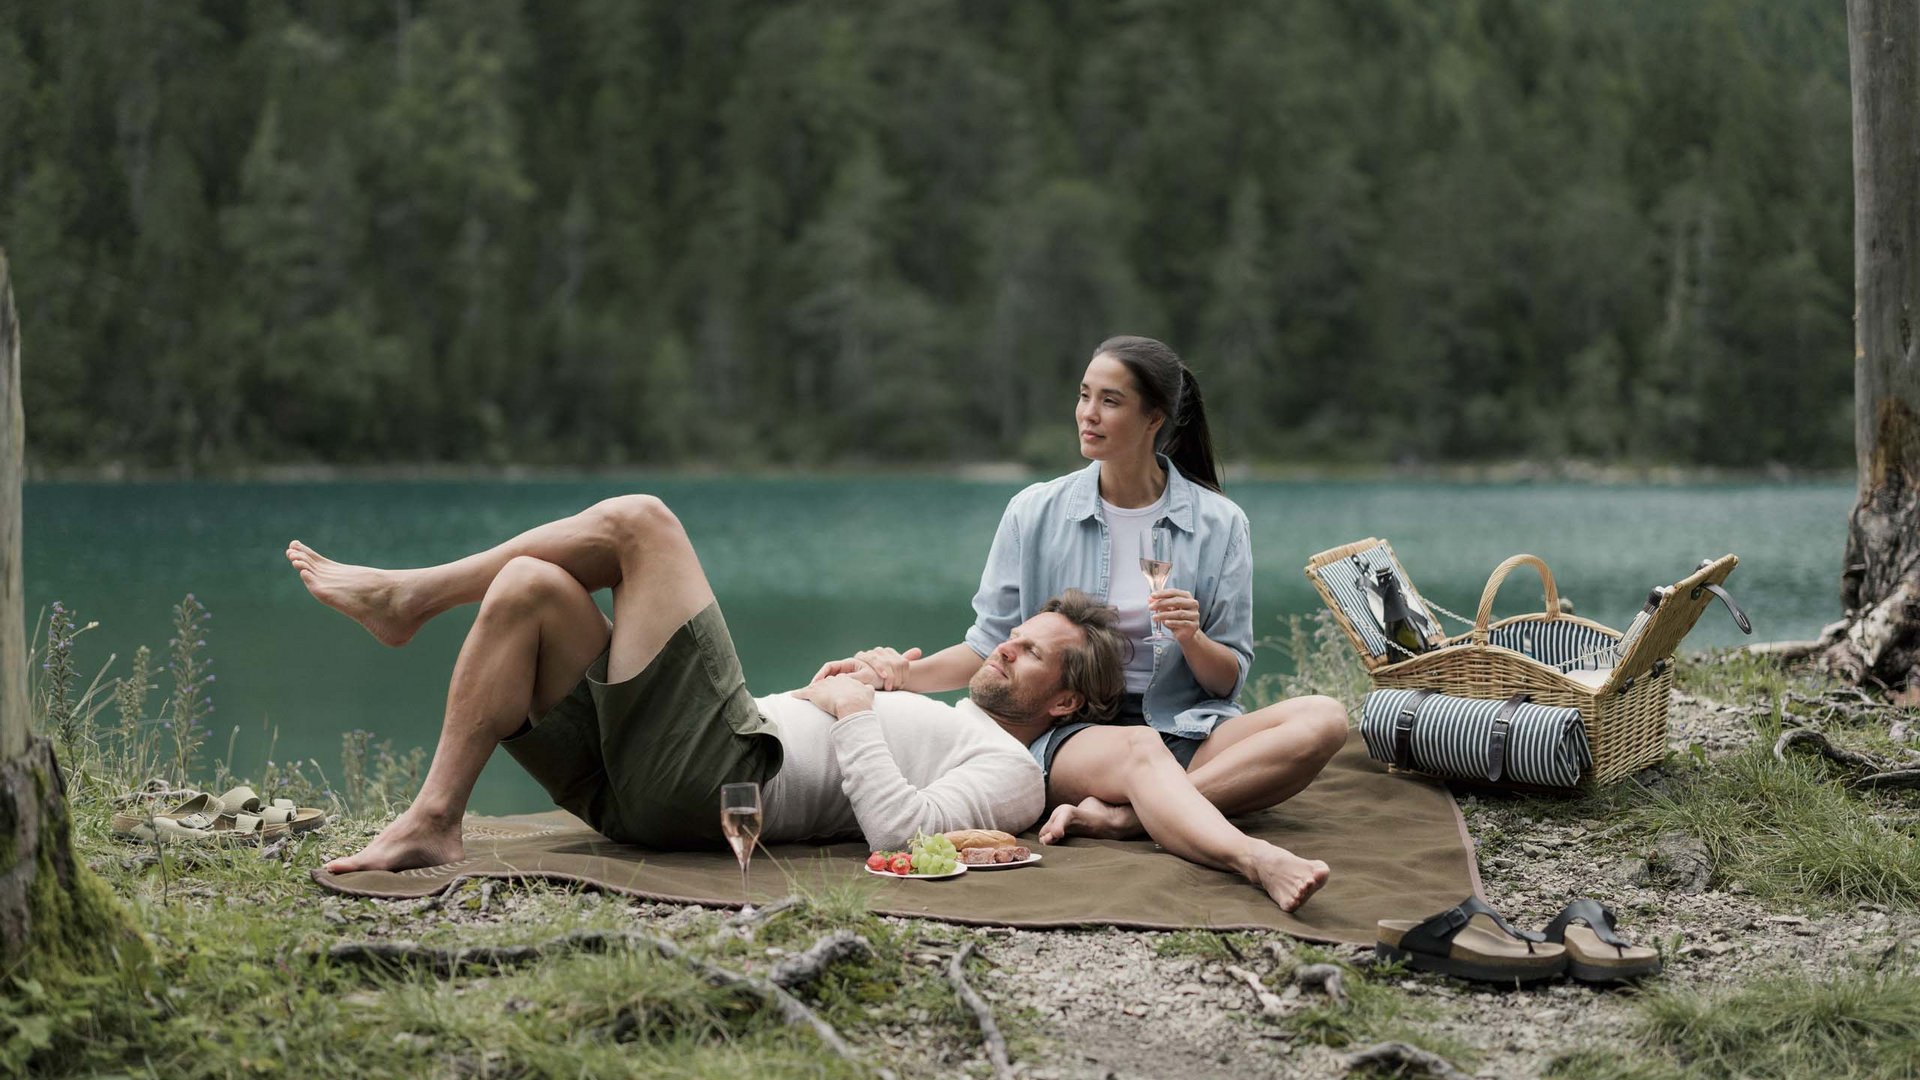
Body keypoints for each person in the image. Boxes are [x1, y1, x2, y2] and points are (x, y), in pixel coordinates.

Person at [284, 495, 1115, 873]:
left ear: (1066, 702)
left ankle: (410, 598)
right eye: (1013, 638)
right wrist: (834, 695)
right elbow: (833, 752)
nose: (1002, 651)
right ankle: (434, 819)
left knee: (643, 523)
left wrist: (858, 709)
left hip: (719, 786)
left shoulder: (1017, 775)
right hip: (642, 784)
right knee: (528, 588)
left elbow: (903, 839)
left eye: (1030, 655)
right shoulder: (947, 716)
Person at [817, 335, 1348, 867]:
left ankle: (1131, 818)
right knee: (1142, 754)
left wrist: (1192, 638)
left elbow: (1227, 681)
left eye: (1110, 401)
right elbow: (989, 648)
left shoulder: (1220, 523)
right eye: (1084, 395)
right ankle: (1191, 810)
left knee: (1324, 720)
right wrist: (899, 677)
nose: (1087, 415)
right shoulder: (1035, 511)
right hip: (1074, 733)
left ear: (1153, 418)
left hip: (1186, 728)